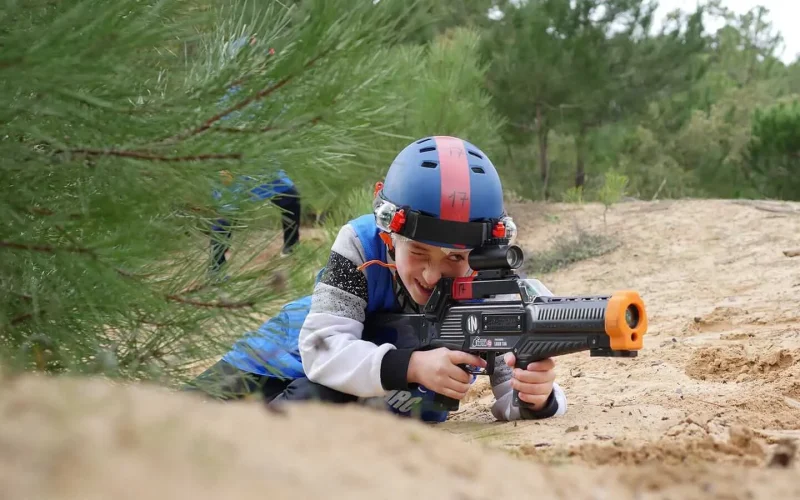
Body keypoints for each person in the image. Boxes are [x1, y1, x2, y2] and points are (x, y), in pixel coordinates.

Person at [188, 136, 567, 422]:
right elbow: (323, 348)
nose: (432, 274)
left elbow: (510, 390)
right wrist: (414, 367)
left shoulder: (493, 285)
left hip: (358, 403)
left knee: (312, 413)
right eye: (417, 252)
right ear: (389, 235)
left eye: (455, 258)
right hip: (278, 355)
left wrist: (538, 397)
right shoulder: (360, 243)